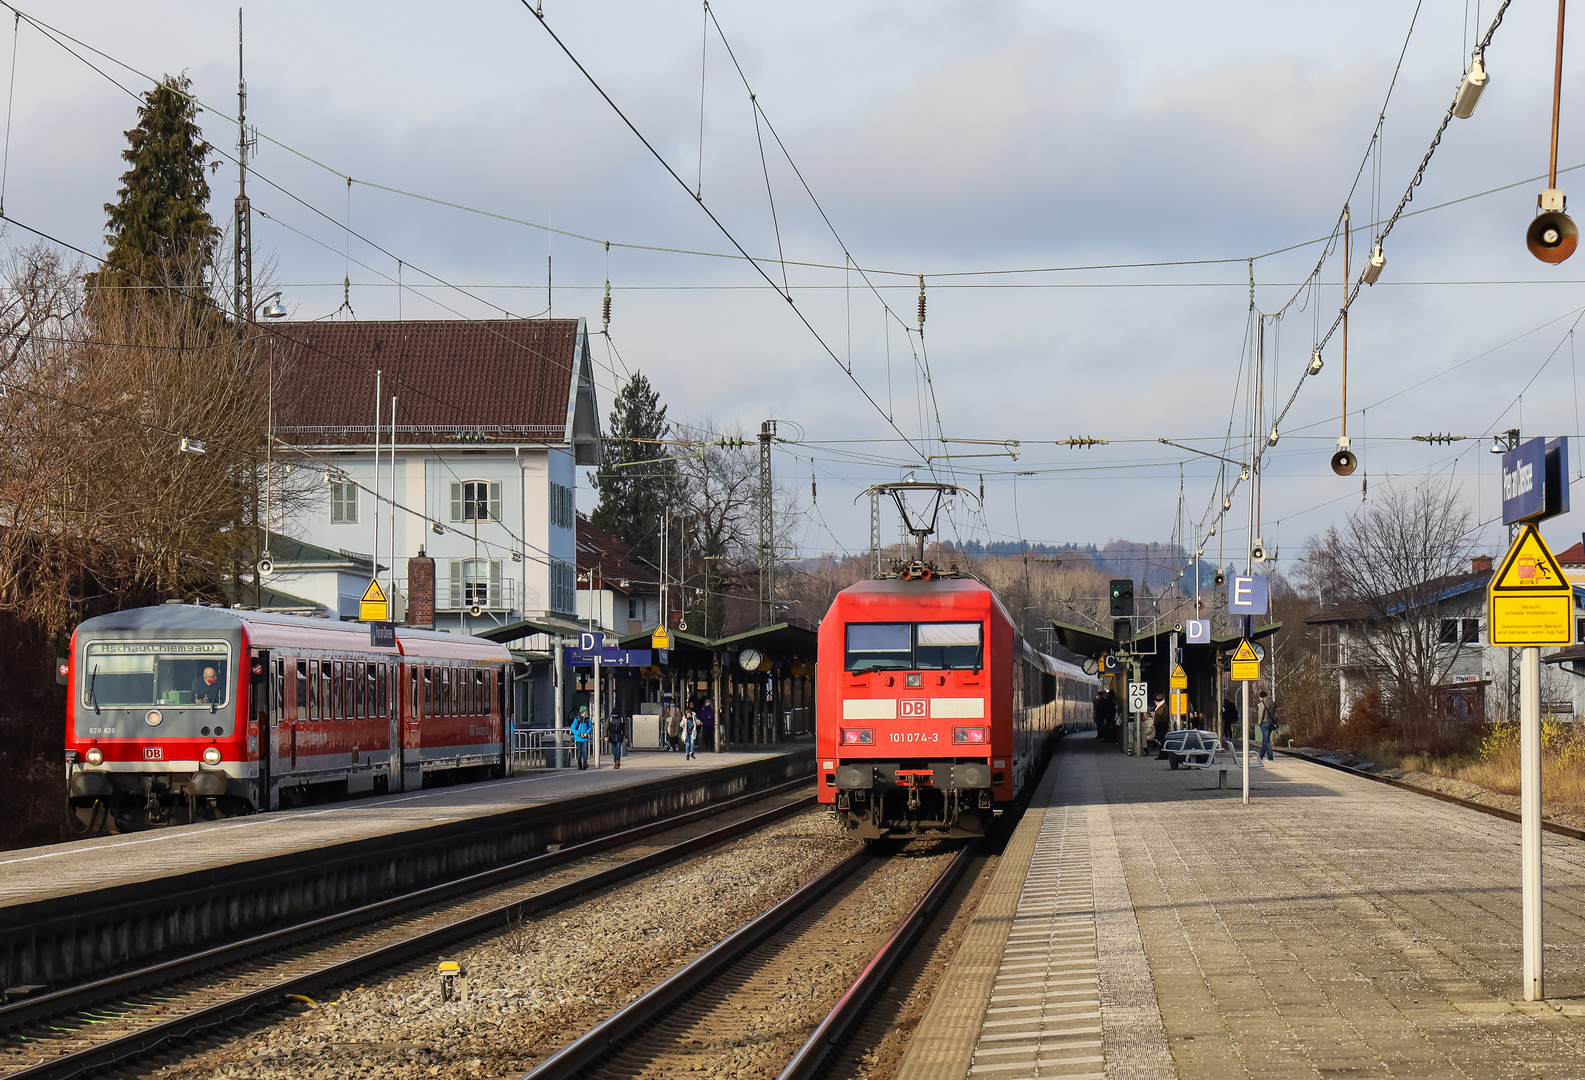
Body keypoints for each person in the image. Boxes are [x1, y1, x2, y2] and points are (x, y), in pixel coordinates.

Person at [1256, 690, 1278, 761]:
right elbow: (1274, 711)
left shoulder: (1262, 703)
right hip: (1271, 722)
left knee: (1267, 740)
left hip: (1264, 722)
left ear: (1261, 697)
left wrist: (1259, 723)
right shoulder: (1272, 702)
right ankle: (1261, 756)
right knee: (1265, 739)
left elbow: (1260, 714)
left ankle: (1270, 757)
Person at [571, 706, 593, 770]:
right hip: (578, 738)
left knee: (585, 751)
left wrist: (587, 733)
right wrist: (579, 734)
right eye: (585, 712)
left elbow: (590, 727)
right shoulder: (577, 719)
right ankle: (579, 764)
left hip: (585, 738)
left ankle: (585, 763)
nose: (586, 713)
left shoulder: (587, 719)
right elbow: (573, 728)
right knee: (579, 752)